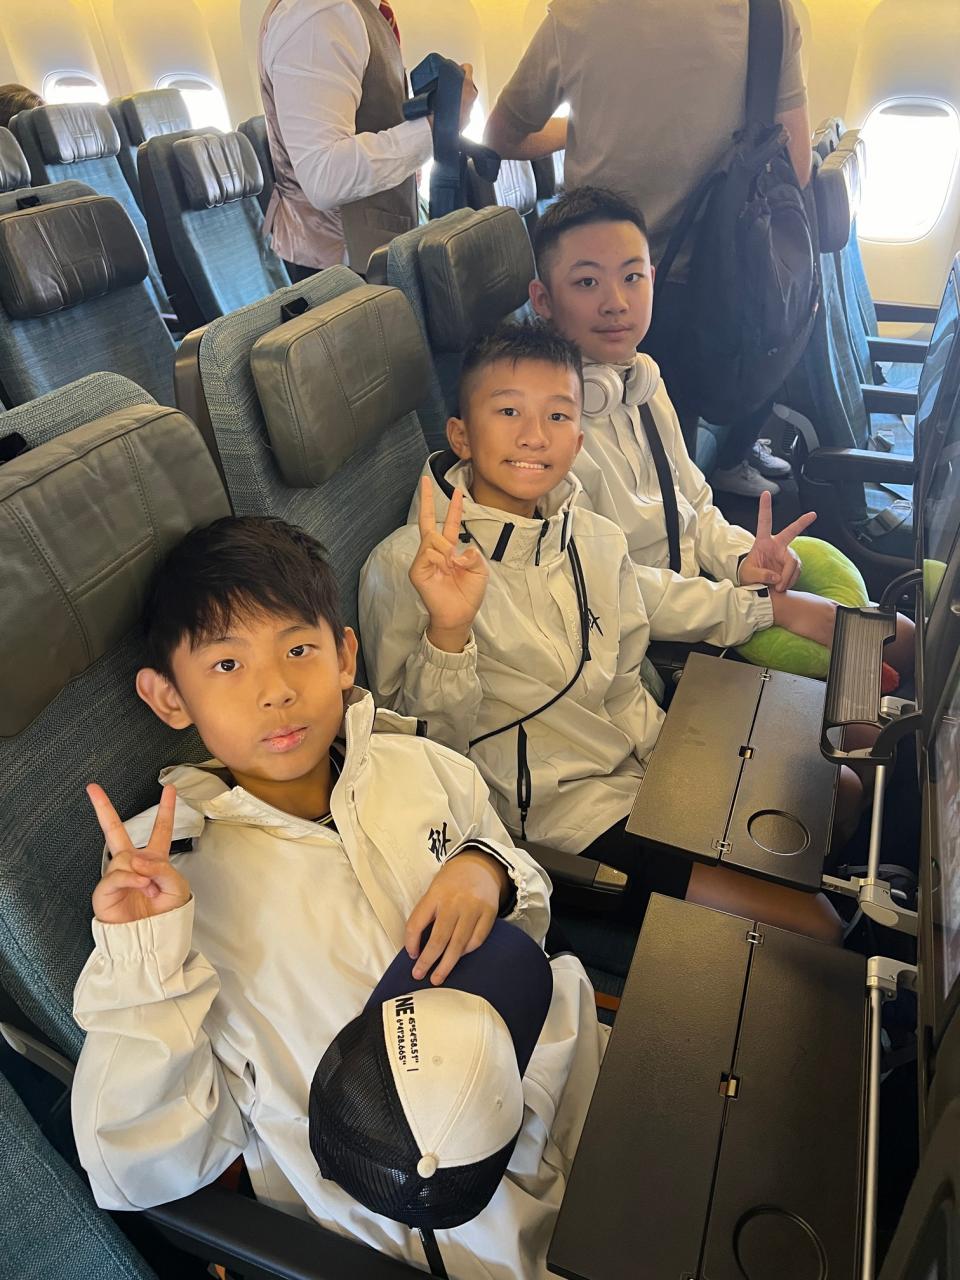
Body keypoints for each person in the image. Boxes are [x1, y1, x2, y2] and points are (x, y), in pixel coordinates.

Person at [70, 515, 605, 1280]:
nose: (276, 690)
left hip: (566, 1083)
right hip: (438, 1221)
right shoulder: (169, 885)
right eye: (227, 664)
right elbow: (137, 1166)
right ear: (169, 697)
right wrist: (143, 961)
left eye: (298, 650)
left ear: (344, 656)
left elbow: (531, 910)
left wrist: (486, 867)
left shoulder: (421, 767)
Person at [360, 323, 842, 942]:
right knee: (814, 924)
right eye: (508, 411)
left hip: (648, 753)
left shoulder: (589, 534)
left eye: (558, 415)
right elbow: (421, 755)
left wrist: (766, 606)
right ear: (460, 435)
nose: (535, 435)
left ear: (578, 439)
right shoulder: (408, 567)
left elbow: (643, 605)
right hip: (555, 814)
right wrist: (448, 635)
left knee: (833, 792)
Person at [526, 186, 917, 674]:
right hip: (645, 635)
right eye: (587, 282)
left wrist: (742, 559)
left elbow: (695, 505)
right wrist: (762, 609)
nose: (616, 302)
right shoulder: (544, 436)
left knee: (902, 635)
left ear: (652, 279)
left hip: (703, 591)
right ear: (543, 300)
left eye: (631, 277)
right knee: (884, 653)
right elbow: (608, 590)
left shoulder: (641, 380)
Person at [483, 0, 812, 495]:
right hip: (710, 281)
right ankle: (716, 480)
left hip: (588, 280)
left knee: (596, 459)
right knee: (673, 471)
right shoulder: (766, 12)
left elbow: (499, 135)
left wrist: (596, 127)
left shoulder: (574, 12)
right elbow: (796, 164)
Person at [258, 0, 477, 278]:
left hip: (374, 252)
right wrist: (438, 126)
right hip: (341, 269)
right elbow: (325, 176)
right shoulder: (320, 14)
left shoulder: (360, 12)